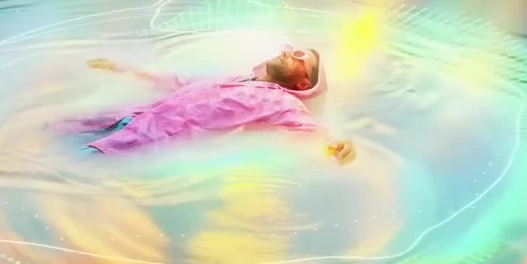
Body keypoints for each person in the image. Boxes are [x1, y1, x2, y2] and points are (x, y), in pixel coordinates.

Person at [59, 45, 358, 165]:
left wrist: (339, 144)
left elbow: (310, 132)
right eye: (293, 49)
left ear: (303, 84)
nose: (290, 52)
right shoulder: (236, 79)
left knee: (74, 161)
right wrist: (123, 68)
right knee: (54, 131)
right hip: (129, 117)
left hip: (148, 139)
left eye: (301, 58)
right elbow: (177, 81)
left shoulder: (283, 102)